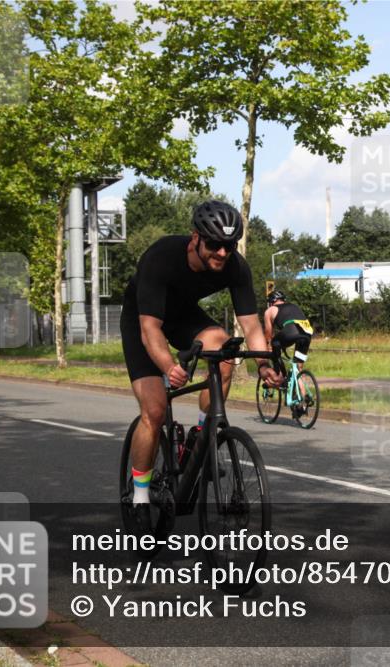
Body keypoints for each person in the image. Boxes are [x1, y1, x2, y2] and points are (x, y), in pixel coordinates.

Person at [120, 200, 281, 533]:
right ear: (195, 238)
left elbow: (251, 326)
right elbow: (151, 329)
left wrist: (263, 365)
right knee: (155, 409)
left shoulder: (236, 266)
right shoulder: (162, 256)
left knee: (223, 349)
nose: (222, 253)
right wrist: (168, 366)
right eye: (214, 245)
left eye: (229, 246)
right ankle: (138, 497)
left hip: (183, 318)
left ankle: (201, 436)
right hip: (143, 321)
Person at [263, 290, 314, 413]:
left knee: (274, 344)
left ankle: (279, 376)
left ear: (272, 302)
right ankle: (303, 401)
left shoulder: (270, 310)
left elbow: (268, 333)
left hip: (291, 332)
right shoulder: (294, 306)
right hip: (306, 334)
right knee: (298, 369)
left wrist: (268, 346)